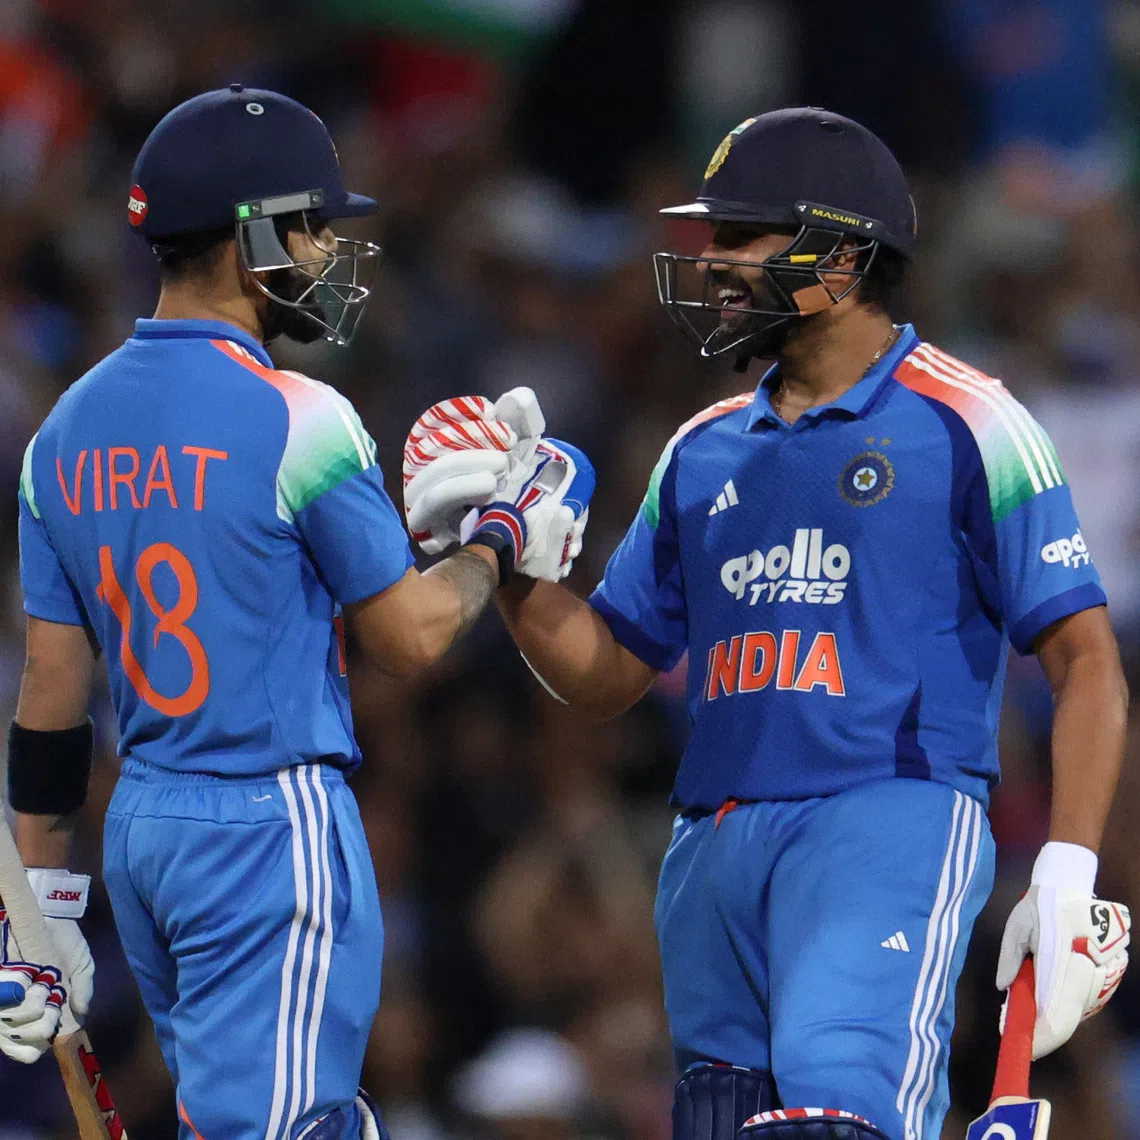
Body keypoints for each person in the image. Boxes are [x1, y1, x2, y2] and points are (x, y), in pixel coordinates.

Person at [401, 108, 1131, 1140]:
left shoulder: (973, 421)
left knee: (833, 1120)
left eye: (743, 237)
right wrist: (507, 564)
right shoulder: (699, 449)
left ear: (839, 257)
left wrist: (1066, 870)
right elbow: (609, 671)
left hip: (885, 819)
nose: (715, 263)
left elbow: (1087, 658)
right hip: (712, 850)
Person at [2, 85, 590, 1139]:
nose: (327, 252)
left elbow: (51, 697)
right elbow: (408, 638)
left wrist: (38, 915)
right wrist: (497, 541)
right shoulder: (301, 416)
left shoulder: (62, 432)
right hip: (269, 828)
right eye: (313, 225)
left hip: (142, 831)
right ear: (251, 235)